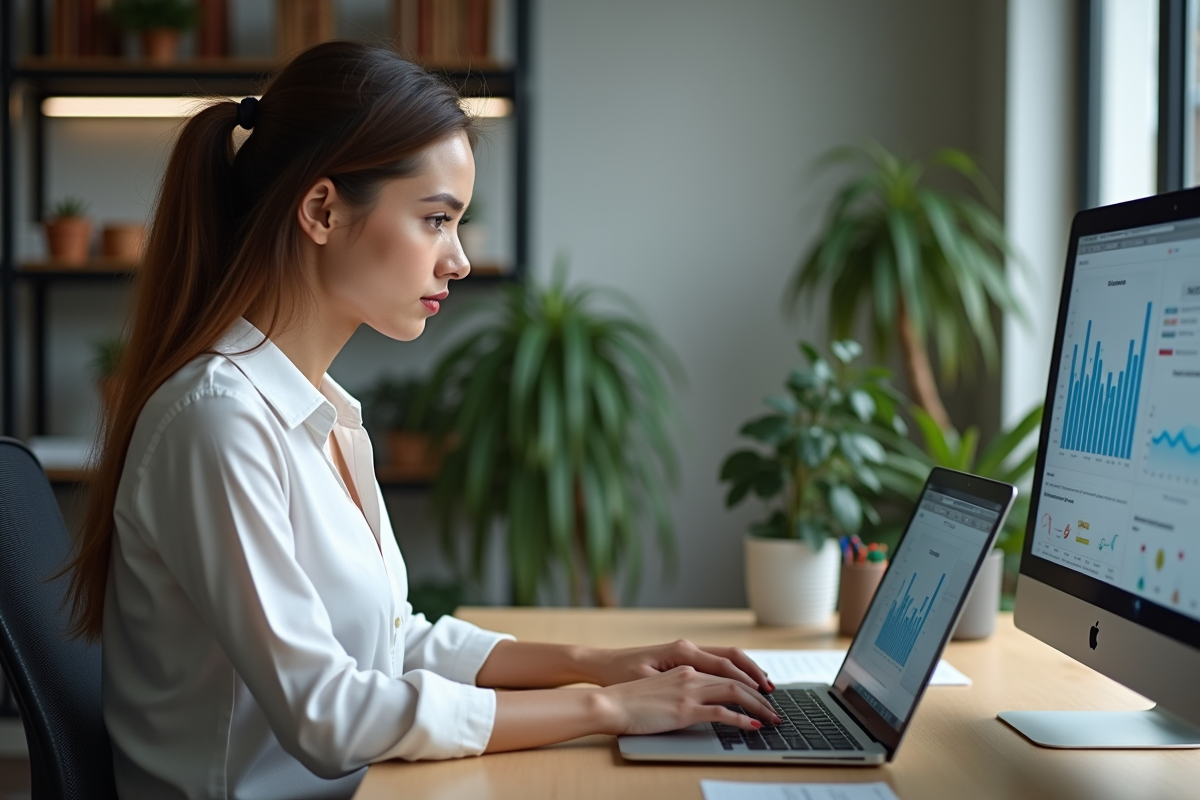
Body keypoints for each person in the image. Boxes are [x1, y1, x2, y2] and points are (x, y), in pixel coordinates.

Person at [62, 41, 780, 800]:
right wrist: (604, 709)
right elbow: (328, 715)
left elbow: (392, 641)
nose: (459, 260)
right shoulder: (217, 424)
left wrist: (593, 663)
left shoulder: (323, 411)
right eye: (436, 219)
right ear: (322, 210)